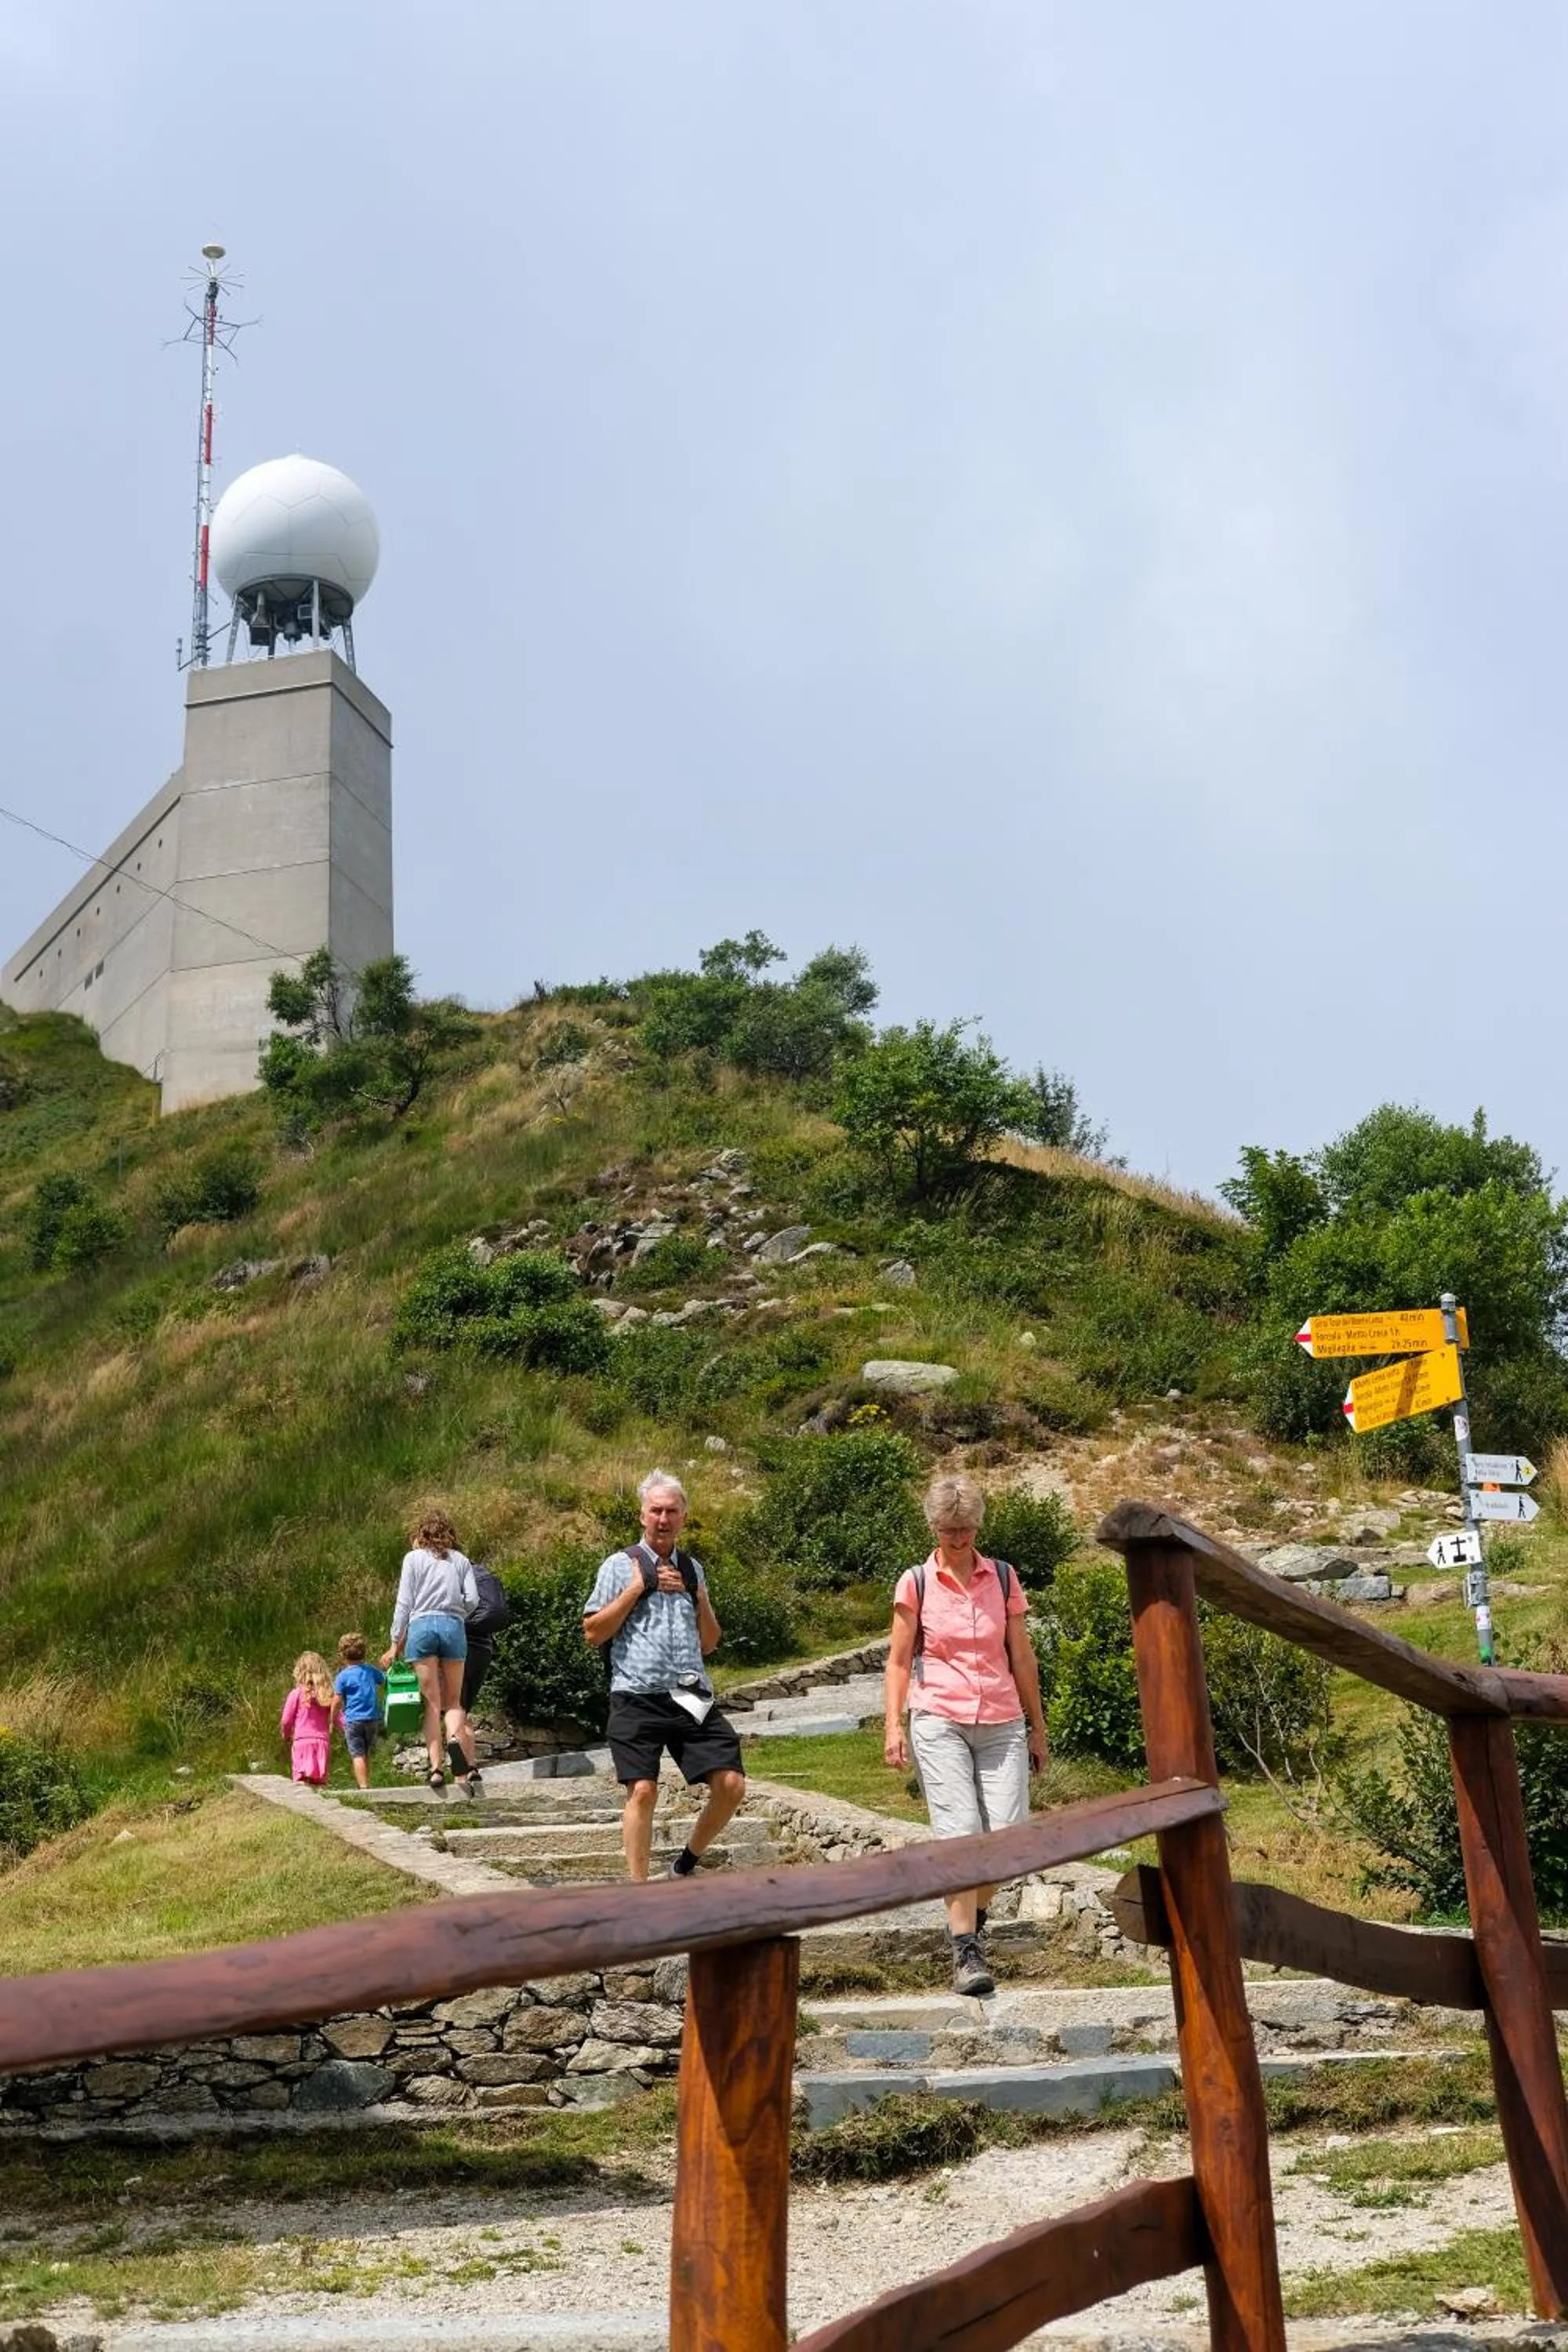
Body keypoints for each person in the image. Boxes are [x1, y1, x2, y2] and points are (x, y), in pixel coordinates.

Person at [884, 1473, 1048, 1998]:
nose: (959, 1539)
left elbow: (1021, 1654)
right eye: (950, 1529)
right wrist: (893, 1724)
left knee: (1005, 1838)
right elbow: (898, 1659)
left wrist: (1037, 1725)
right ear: (934, 1527)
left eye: (968, 1529)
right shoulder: (917, 1581)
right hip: (939, 1717)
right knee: (961, 1832)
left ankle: (969, 1923)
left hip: (1001, 1718)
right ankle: (966, 1951)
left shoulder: (1002, 1577)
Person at [583, 1470, 746, 1883]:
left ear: (684, 1517)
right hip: (635, 1694)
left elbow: (710, 1643)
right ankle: (640, 1892)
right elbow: (592, 1633)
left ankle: (685, 1863)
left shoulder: (693, 1570)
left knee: (731, 1784)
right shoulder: (619, 1566)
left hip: (690, 1693)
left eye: (671, 1511)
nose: (663, 1518)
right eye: (655, 1510)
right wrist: (638, 1588)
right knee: (642, 1790)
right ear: (642, 1515)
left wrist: (700, 1596)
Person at [382, 1507, 482, 1794]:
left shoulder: (413, 1559)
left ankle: (437, 1769)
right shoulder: (461, 1561)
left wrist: (393, 1641)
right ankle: (454, 1737)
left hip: (422, 1627)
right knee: (454, 1702)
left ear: (421, 1533)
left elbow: (404, 1602)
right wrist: (457, 1614)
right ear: (449, 1534)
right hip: (453, 1626)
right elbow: (473, 1599)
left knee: (432, 1704)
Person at [335, 1633, 387, 1791]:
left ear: (342, 1655)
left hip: (353, 1720)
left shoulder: (342, 1676)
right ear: (364, 1652)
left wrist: (332, 1719)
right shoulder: (370, 1670)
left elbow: (336, 1701)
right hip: (372, 1718)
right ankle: (366, 1782)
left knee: (357, 1755)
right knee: (366, 1753)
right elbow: (384, 1679)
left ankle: (363, 1787)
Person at [281, 1651, 338, 1786]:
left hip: (302, 1743)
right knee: (319, 1784)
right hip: (322, 1743)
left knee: (302, 1783)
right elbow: (339, 1717)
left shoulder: (296, 1694)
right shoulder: (327, 1696)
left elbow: (286, 1720)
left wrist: (286, 1734)